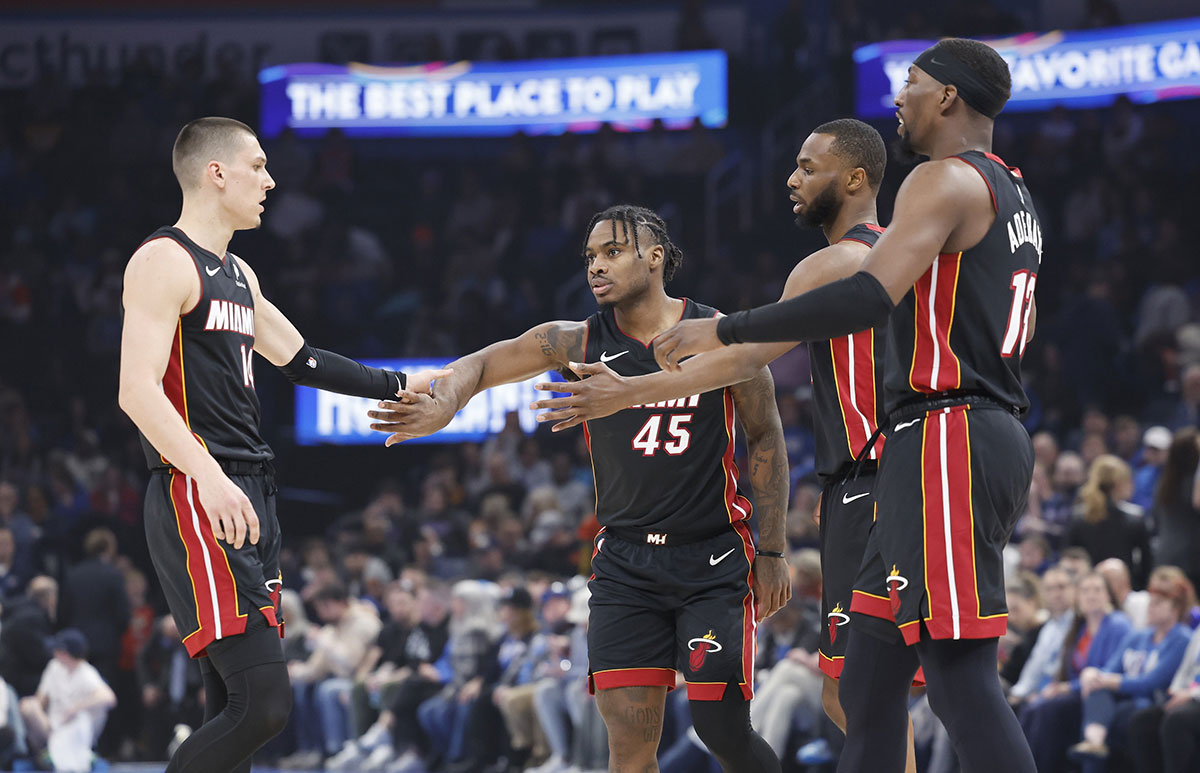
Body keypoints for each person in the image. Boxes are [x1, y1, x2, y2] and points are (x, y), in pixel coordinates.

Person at [646, 38, 1042, 773]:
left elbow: (867, 294)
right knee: (864, 681)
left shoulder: (941, 178)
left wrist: (727, 324)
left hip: (948, 432)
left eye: (913, 82)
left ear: (949, 96)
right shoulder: (1013, 190)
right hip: (938, 439)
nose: (900, 96)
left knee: (958, 681)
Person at [524, 118, 919, 769]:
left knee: (867, 692)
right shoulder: (912, 251)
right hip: (900, 472)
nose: (791, 179)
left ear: (854, 177)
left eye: (807, 166)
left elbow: (743, 360)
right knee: (875, 689)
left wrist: (630, 389)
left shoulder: (836, 262)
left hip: (873, 481)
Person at [370, 204, 791, 772]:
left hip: (712, 556)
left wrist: (773, 551)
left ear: (655, 257)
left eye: (612, 253)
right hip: (626, 564)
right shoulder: (576, 341)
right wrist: (446, 402)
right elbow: (483, 362)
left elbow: (765, 438)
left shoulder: (718, 333)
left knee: (721, 729)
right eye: (590, 257)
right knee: (629, 746)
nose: (596, 266)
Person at [117, 116, 448, 773]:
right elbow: (136, 389)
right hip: (199, 487)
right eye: (258, 166)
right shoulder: (163, 260)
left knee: (230, 700)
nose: (271, 181)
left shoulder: (238, 273)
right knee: (264, 702)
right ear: (216, 173)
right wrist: (208, 475)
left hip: (250, 489)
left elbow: (303, 362)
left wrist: (404, 382)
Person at [19, 629, 117, 773]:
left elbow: (109, 698)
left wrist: (74, 709)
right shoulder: (54, 667)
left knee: (81, 720)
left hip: (75, 729)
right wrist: (34, 708)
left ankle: (68, 755)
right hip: (51, 726)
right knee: (28, 706)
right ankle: (44, 752)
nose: (55, 653)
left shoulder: (87, 673)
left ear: (67, 653)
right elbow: (41, 698)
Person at [1068, 455, 1152, 588]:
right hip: (1125, 592)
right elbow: (1146, 565)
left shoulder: (1077, 517)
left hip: (1087, 591)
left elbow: (1069, 560)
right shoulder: (1135, 519)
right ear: (1119, 483)